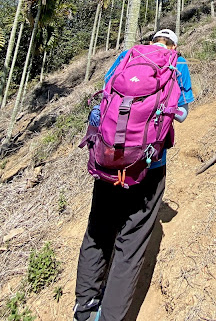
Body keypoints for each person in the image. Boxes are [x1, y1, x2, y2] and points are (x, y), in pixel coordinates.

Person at [73, 29, 193, 321]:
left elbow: (105, 95)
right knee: (131, 242)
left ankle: (84, 307)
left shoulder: (128, 56)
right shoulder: (179, 64)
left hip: (109, 162)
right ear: (173, 45)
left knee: (98, 231)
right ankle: (111, 316)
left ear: (151, 41)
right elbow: (182, 112)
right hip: (148, 165)